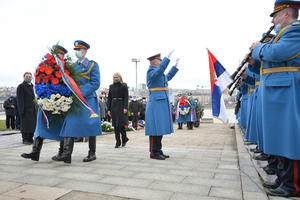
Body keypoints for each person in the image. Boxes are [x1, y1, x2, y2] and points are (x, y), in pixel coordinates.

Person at [250, 0, 300, 197]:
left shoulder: (295, 30)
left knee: (290, 137)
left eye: (275, 16)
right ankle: (283, 179)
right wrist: (255, 58)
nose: (273, 20)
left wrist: (258, 48)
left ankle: (293, 186)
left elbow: (278, 53)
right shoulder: (281, 34)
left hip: (286, 89)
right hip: (277, 89)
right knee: (280, 138)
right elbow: (265, 64)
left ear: (286, 14)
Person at [55, 40, 102, 163]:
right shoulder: (73, 67)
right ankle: (67, 154)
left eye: (79, 50)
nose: (77, 52)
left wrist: (80, 93)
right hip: (75, 101)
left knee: (90, 126)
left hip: (88, 100)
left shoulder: (92, 65)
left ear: (85, 51)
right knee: (70, 124)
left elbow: (95, 83)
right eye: (76, 50)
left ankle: (92, 153)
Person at [21, 45, 67, 161]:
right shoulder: (44, 66)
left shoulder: (65, 68)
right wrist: (43, 95)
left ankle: (62, 153)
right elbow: (38, 82)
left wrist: (61, 98)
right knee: (40, 127)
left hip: (60, 103)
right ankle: (35, 152)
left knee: (61, 127)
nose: (62, 58)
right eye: (60, 55)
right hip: (46, 101)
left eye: (63, 56)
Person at [145, 52, 179, 160]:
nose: (161, 63)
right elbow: (160, 71)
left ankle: (158, 150)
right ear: (154, 61)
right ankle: (153, 152)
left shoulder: (159, 74)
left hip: (161, 102)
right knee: (155, 129)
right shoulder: (151, 71)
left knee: (159, 128)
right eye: (160, 61)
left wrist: (174, 67)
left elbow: (167, 76)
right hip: (155, 102)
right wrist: (167, 60)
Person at [107, 73, 129, 148]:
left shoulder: (124, 85)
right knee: (115, 125)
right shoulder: (111, 86)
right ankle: (118, 141)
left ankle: (124, 139)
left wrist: (125, 107)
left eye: (117, 77)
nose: (115, 78)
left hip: (121, 105)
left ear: (120, 77)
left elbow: (126, 97)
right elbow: (109, 98)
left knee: (121, 125)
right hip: (113, 106)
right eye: (114, 77)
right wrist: (108, 109)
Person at [16, 72, 36, 145]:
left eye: (30, 76)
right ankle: (25, 139)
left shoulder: (32, 86)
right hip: (25, 110)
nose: (28, 78)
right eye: (27, 76)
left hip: (33, 110)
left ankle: (30, 138)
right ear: (24, 77)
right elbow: (20, 99)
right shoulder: (21, 86)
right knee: (25, 126)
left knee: (32, 125)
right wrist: (21, 110)